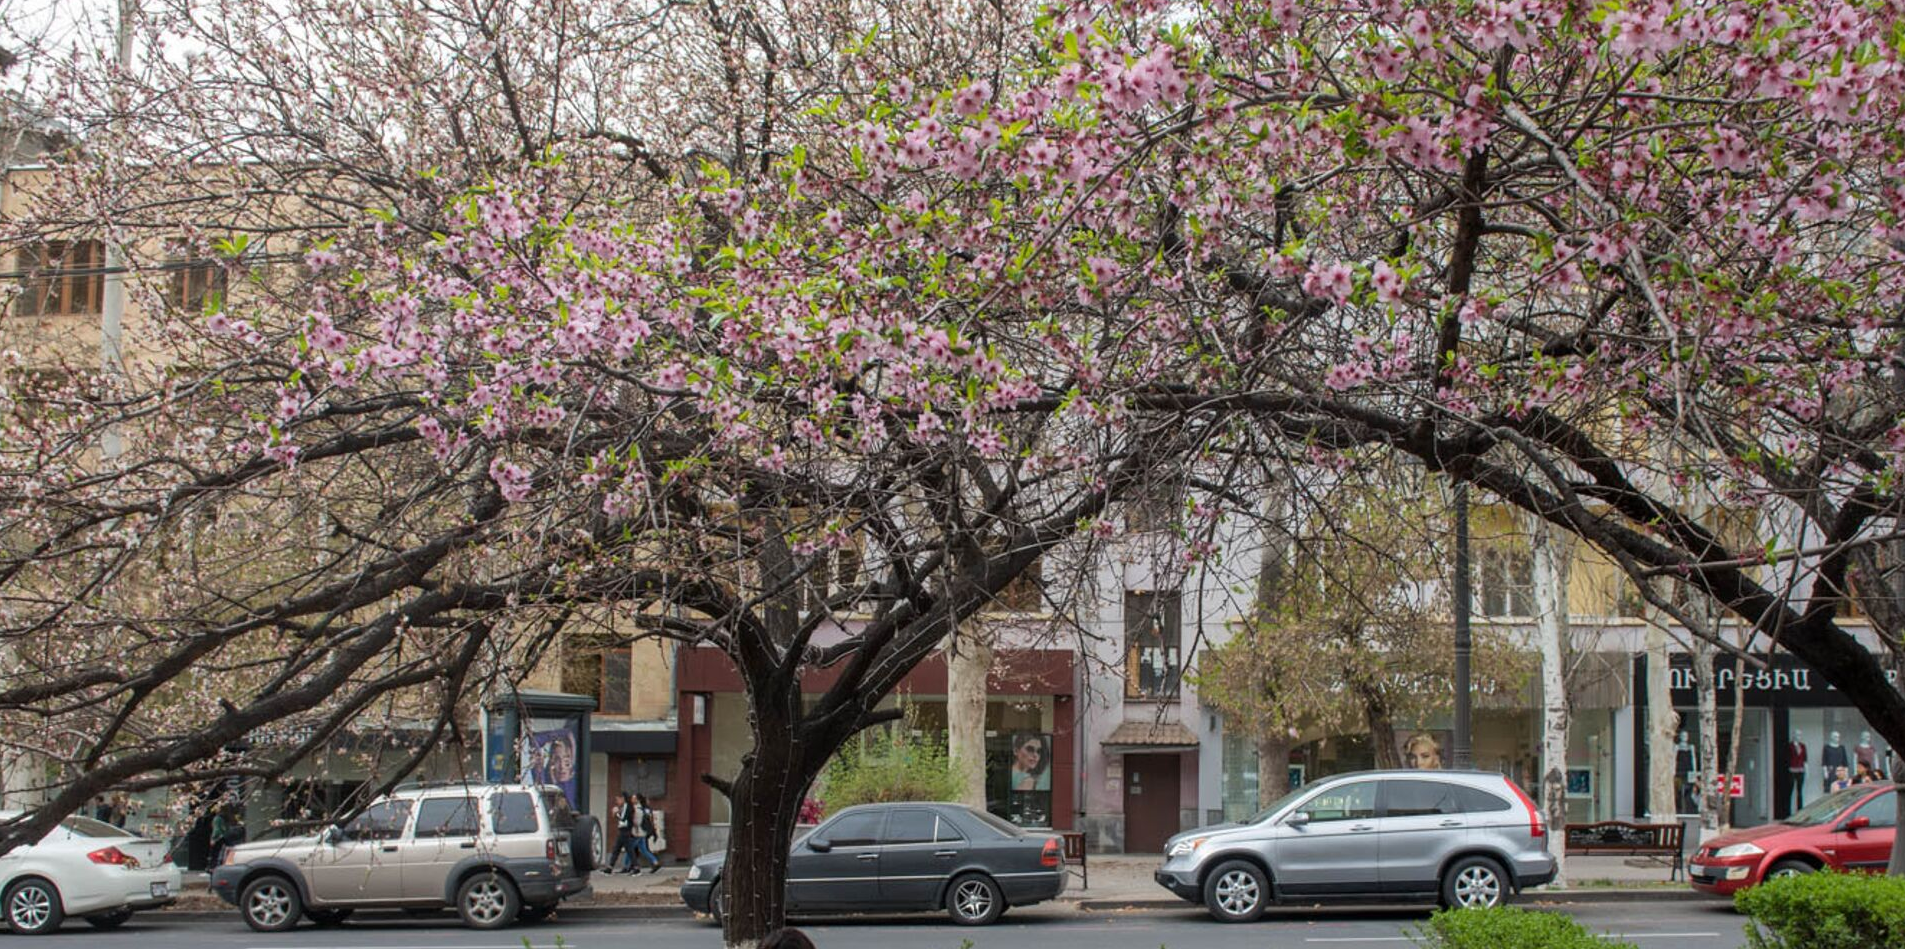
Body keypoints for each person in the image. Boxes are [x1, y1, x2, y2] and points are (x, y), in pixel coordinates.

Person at [607, 793, 639, 874]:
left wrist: (616, 813)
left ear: (623, 799)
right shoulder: (626, 807)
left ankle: (636, 867)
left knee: (626, 850)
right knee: (620, 849)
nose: (617, 802)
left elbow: (623, 819)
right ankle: (610, 867)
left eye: (618, 799)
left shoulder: (626, 807)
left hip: (625, 830)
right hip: (624, 830)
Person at [632, 794, 663, 872]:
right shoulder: (647, 809)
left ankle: (629, 866)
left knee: (632, 848)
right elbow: (650, 821)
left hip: (640, 831)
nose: (648, 802)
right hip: (646, 831)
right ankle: (654, 863)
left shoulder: (641, 809)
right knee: (643, 849)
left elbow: (641, 821)